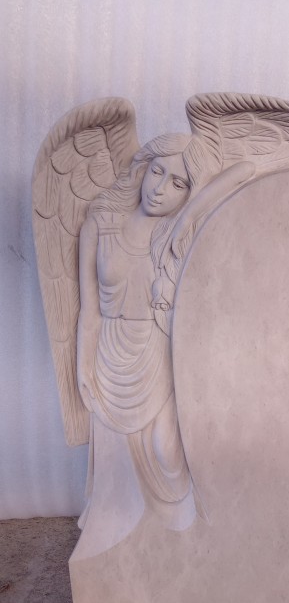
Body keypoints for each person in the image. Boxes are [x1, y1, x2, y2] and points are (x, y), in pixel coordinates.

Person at [76, 134, 214, 534]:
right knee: (117, 472)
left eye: (178, 182)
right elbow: (88, 309)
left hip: (158, 352)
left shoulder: (177, 233)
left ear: (189, 192)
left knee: (167, 449)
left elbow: (244, 171)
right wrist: (83, 365)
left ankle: (186, 531)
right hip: (109, 357)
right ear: (142, 169)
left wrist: (189, 212)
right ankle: (127, 546)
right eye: (157, 171)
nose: (160, 188)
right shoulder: (100, 225)